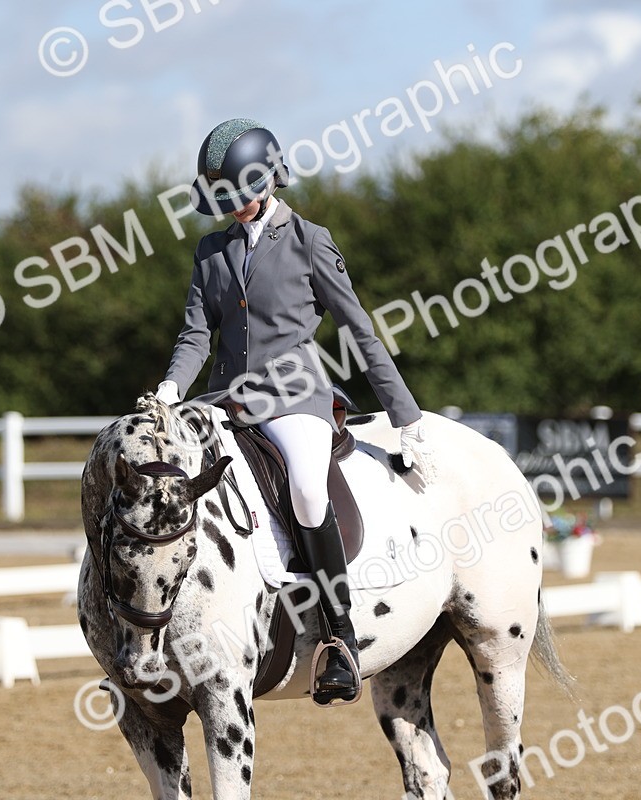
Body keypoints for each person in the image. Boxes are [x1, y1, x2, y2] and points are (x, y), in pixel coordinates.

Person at [155, 118, 435, 704]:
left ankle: (340, 638)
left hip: (294, 397)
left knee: (308, 490)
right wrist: (170, 389)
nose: (231, 210)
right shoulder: (210, 252)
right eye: (222, 200)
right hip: (226, 401)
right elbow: (196, 336)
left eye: (238, 196)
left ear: (269, 179)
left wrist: (405, 416)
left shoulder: (310, 241)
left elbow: (359, 330)